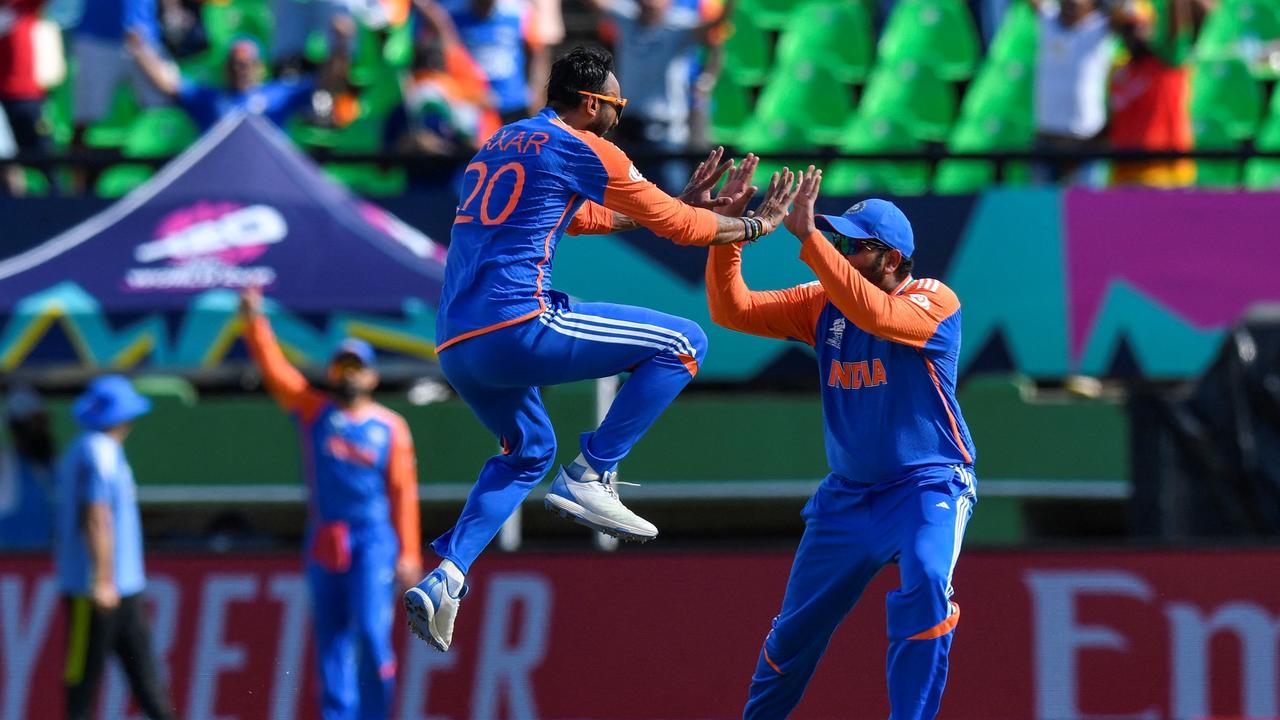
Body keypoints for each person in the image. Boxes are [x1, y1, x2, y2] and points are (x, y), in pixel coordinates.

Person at [402, 45, 798, 653]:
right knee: (684, 341)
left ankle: (449, 575)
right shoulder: (585, 146)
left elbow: (579, 217)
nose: (620, 114)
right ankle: (594, 472)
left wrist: (671, 210)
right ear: (591, 103)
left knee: (528, 451)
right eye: (617, 103)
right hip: (516, 324)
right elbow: (684, 230)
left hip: (456, 342)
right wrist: (755, 227)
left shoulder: (505, 139)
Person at [704, 162, 978, 720]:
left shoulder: (934, 300)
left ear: (892, 259)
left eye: (854, 247)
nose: (840, 250)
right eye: (837, 240)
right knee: (792, 634)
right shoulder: (823, 301)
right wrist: (724, 235)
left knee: (926, 582)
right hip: (848, 499)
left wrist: (808, 239)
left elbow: (877, 314)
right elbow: (730, 309)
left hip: (927, 485)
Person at [240, 288, 422, 720]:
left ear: (372, 377)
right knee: (331, 639)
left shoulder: (390, 427)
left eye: (357, 367)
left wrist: (409, 553)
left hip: (373, 538)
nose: (349, 374)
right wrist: (254, 323)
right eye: (342, 366)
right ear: (331, 371)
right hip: (326, 536)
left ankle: (377, 713)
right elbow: (276, 372)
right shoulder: (313, 410)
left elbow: (402, 493)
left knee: (373, 633)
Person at [55, 375, 175, 720]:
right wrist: (103, 578)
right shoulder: (98, 451)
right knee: (84, 684)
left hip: (122, 586)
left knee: (145, 682)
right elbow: (96, 516)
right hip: (97, 589)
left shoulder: (94, 449)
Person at [587, 0, 733, 190]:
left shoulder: (680, 24)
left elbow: (713, 28)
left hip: (666, 133)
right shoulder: (626, 17)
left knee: (671, 201)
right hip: (627, 128)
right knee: (624, 203)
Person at [126, 25, 353, 132]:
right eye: (234, 64)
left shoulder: (279, 93)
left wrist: (341, 43)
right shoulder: (207, 98)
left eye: (247, 64)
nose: (240, 70)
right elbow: (169, 85)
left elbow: (328, 80)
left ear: (259, 67)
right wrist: (139, 50)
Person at [1108, 0, 1195, 187]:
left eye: (1137, 27)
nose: (1131, 35)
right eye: (1126, 28)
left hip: (1165, 172)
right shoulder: (1118, 70)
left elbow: (1179, 30)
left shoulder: (1168, 63)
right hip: (1124, 173)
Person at [1031, 0, 1113, 185]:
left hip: (1087, 145)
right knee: (1039, 210)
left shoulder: (1101, 26)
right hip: (1046, 143)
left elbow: (1127, 12)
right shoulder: (1048, 19)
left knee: (1089, 212)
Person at [438, 0, 550, 123]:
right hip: (470, 107)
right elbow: (448, 56)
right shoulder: (449, 14)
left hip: (513, 104)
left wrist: (535, 92)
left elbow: (537, 53)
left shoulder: (519, 11)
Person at [0, 384, 56, 549]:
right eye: (33, 423)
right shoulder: (6, 463)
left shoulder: (53, 463)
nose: (41, 429)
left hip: (52, 566)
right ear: (16, 428)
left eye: (42, 421)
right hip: (12, 568)